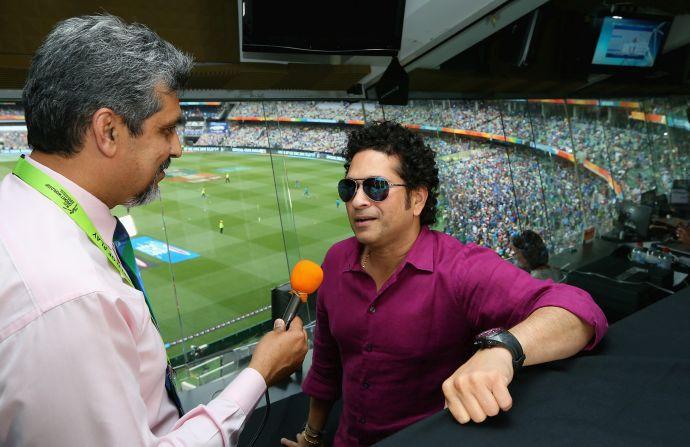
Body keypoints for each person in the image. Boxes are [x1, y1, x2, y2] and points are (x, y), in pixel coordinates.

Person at [0, 15, 308, 446]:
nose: (178, 148)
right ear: (108, 130)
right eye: (166, 129)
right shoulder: (70, 298)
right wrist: (258, 374)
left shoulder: (21, 209)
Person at [281, 122, 607, 447]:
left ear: (418, 199)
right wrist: (312, 436)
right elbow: (326, 366)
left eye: (376, 187)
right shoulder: (336, 261)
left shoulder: (461, 269)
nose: (358, 201)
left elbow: (577, 308)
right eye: (348, 189)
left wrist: (504, 349)